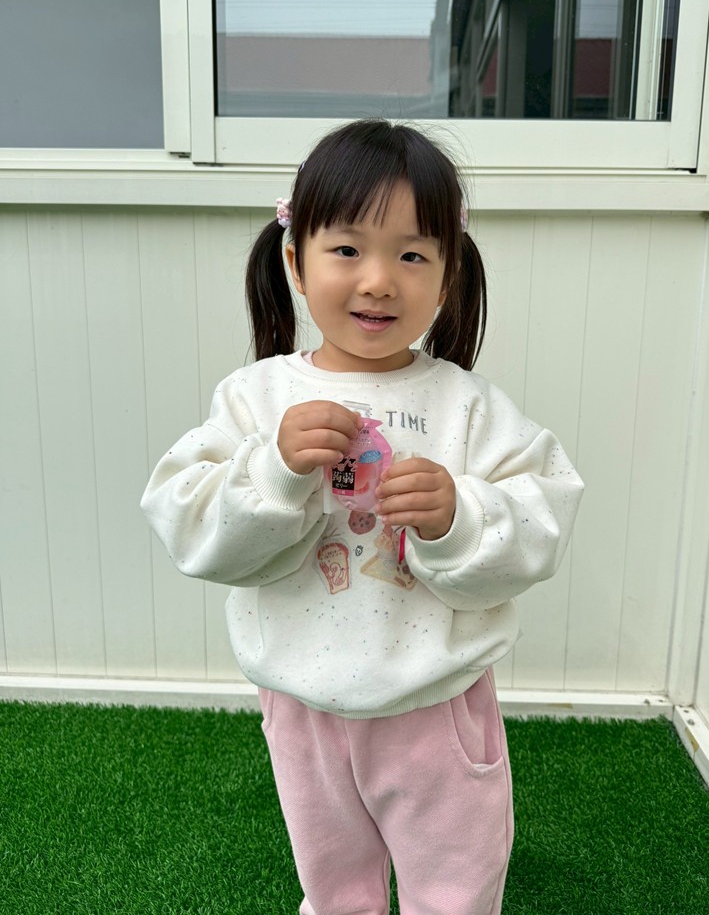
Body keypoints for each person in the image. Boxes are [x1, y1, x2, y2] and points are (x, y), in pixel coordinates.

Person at [141, 119, 583, 915]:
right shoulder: (256, 399)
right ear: (295, 262)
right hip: (301, 705)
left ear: (447, 277)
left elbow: (543, 512)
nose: (378, 281)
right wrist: (273, 471)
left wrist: (459, 515)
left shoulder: (467, 406)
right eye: (347, 249)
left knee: (453, 885)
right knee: (334, 884)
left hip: (435, 706)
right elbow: (187, 522)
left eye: (412, 255)